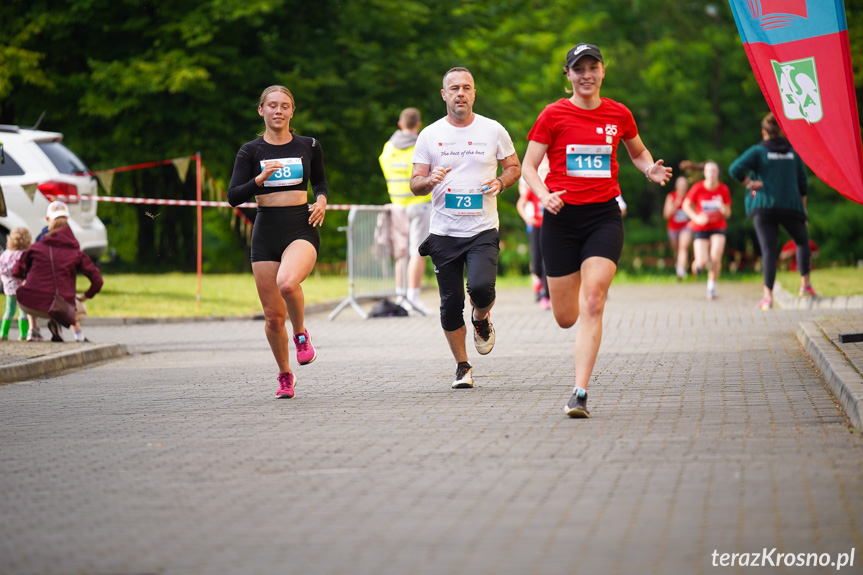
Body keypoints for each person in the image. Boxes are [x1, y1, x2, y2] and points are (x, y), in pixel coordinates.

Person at [522, 43, 672, 418]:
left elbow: (637, 152)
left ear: (603, 71)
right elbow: (528, 166)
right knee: (566, 317)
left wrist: (649, 168)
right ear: (568, 75)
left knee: (593, 300)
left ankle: (580, 392)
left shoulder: (618, 113)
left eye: (593, 67)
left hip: (603, 218)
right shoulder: (553, 115)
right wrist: (543, 195)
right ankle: (577, 371)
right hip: (560, 221)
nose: (586, 74)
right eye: (579, 69)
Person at [410, 67, 521, 389]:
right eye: (454, 88)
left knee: (482, 289)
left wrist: (501, 181)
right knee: (450, 303)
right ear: (444, 94)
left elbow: (513, 166)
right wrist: (428, 180)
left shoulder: (493, 130)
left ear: (474, 93)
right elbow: (415, 183)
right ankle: (462, 366)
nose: (461, 93)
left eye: (466, 87)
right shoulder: (430, 134)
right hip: (444, 232)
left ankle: (481, 318)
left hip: (483, 228)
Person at [228, 85, 328, 399]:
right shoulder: (250, 151)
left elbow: (320, 181)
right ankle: (285, 375)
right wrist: (257, 180)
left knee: (287, 283)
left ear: (291, 112)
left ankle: (300, 334)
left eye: (285, 106)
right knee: (273, 317)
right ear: (262, 110)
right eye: (272, 106)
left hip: (301, 225)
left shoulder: (308, 145)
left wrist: (322, 199)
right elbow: (233, 197)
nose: (278, 111)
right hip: (265, 229)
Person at [729, 112, 815, 310]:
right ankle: (805, 285)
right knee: (802, 241)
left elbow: (735, 169)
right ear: (781, 132)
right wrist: (803, 212)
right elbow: (803, 184)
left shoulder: (758, 151)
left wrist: (749, 183)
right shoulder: (792, 152)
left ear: (764, 132)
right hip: (790, 207)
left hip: (763, 207)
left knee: (768, 251)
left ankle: (767, 297)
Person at [13, 201, 103, 342]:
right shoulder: (75, 251)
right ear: (67, 220)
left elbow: (16, 271)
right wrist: (85, 296)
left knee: (27, 286)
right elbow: (97, 280)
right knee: (80, 310)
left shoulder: (36, 247)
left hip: (30, 304)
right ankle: (66, 327)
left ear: (48, 220)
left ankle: (33, 329)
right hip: (60, 306)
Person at [379, 107, 431, 314]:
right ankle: (413, 298)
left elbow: (385, 167)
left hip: (397, 205)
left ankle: (400, 296)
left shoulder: (388, 148)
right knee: (417, 251)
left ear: (400, 124)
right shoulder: (421, 145)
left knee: (401, 252)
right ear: (418, 124)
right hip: (420, 204)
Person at [682, 161, 730, 300]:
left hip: (718, 226)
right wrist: (696, 218)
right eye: (709, 171)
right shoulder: (698, 188)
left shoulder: (723, 189)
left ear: (717, 173)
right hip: (701, 227)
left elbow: (728, 212)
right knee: (702, 262)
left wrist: (724, 209)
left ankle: (711, 287)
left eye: (714, 171)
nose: (711, 174)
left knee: (716, 255)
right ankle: (697, 265)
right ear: (704, 173)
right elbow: (686, 206)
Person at [516, 155, 550, 310]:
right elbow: (521, 203)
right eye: (542, 170)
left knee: (547, 262)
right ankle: (538, 281)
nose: (544, 172)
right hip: (536, 226)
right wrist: (527, 218)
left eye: (546, 170)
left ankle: (546, 296)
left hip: (551, 228)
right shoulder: (532, 189)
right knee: (536, 262)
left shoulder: (553, 187)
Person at [0, 227, 33, 341]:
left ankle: (3, 333)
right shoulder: (24, 255)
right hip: (21, 286)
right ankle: (23, 334)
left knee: (9, 310)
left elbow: (1, 269)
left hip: (8, 286)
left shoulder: (5, 254)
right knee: (23, 310)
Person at [664, 175, 693, 280]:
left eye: (684, 184)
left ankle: (681, 271)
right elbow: (666, 215)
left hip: (686, 227)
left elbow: (694, 213)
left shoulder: (690, 197)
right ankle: (679, 266)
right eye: (680, 184)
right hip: (673, 228)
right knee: (676, 250)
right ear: (676, 185)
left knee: (683, 247)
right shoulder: (671, 196)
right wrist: (675, 204)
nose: (682, 187)